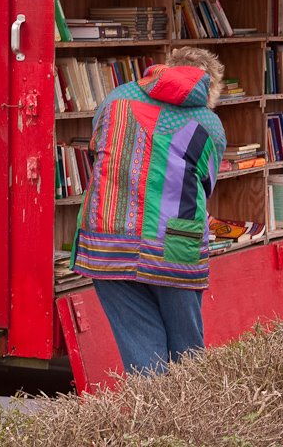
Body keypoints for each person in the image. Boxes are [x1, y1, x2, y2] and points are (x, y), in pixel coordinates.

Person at [70, 47, 227, 374]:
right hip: (175, 243)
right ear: (209, 86)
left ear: (165, 69)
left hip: (108, 238)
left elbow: (96, 147)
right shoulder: (209, 124)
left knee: (141, 350)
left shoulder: (117, 98)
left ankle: (151, 421)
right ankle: (194, 420)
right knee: (187, 350)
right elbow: (206, 182)